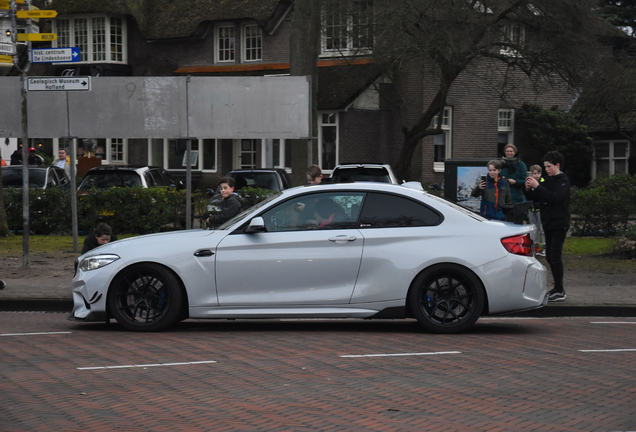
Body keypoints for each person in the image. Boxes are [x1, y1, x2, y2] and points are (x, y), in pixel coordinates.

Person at [525, 151, 570, 302]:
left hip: (559, 223)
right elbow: (536, 196)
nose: (547, 170)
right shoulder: (549, 180)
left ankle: (560, 289)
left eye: (549, 166)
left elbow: (555, 197)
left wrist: (538, 186)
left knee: (555, 257)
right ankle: (557, 288)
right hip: (549, 223)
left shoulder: (562, 180)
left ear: (557, 165)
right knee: (550, 256)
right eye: (545, 167)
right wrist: (529, 188)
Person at [527, 164, 546, 257]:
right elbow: (528, 196)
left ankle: (545, 248)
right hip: (531, 208)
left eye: (538, 173)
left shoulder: (543, 183)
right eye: (534, 173)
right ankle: (536, 248)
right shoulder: (529, 183)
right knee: (534, 229)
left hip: (540, 208)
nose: (536, 175)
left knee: (542, 229)